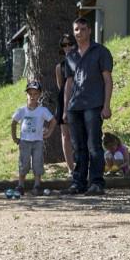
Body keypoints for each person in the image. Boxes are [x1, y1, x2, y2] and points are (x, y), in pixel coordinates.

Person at [62, 17, 114, 196]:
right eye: (76, 29)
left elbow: (108, 80)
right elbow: (68, 84)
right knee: (79, 147)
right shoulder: (70, 55)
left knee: (93, 145)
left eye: (83, 29)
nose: (79, 33)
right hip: (74, 106)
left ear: (89, 30)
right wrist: (65, 109)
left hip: (94, 104)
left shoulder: (101, 51)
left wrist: (106, 106)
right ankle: (79, 183)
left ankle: (97, 183)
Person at [11, 81, 55, 196]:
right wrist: (15, 137)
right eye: (30, 93)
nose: (32, 96)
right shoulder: (21, 110)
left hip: (37, 142)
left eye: (35, 94)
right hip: (24, 141)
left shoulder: (42, 110)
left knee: (37, 162)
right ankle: (20, 185)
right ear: (26, 94)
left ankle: (37, 185)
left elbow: (53, 121)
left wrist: (48, 133)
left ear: (39, 95)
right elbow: (14, 122)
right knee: (23, 163)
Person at [54, 33, 76, 177]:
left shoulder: (81, 62)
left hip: (81, 100)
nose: (67, 47)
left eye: (69, 43)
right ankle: (70, 168)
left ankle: (83, 164)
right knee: (65, 135)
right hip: (64, 101)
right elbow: (61, 86)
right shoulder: (59, 67)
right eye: (64, 45)